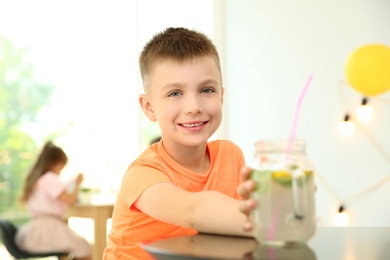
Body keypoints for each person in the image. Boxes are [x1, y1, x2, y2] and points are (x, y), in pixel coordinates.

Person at [103, 27, 255, 260]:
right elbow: (194, 212)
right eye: (175, 93)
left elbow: (236, 233)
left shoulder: (230, 156)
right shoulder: (143, 174)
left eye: (207, 90)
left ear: (221, 96)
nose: (194, 106)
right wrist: (274, 218)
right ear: (149, 107)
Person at [16, 141, 92, 260]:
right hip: (48, 229)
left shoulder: (37, 180)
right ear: (54, 163)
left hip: (37, 230)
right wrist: (77, 183)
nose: (60, 172)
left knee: (75, 248)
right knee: (85, 248)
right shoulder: (49, 178)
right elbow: (70, 200)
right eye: (61, 168)